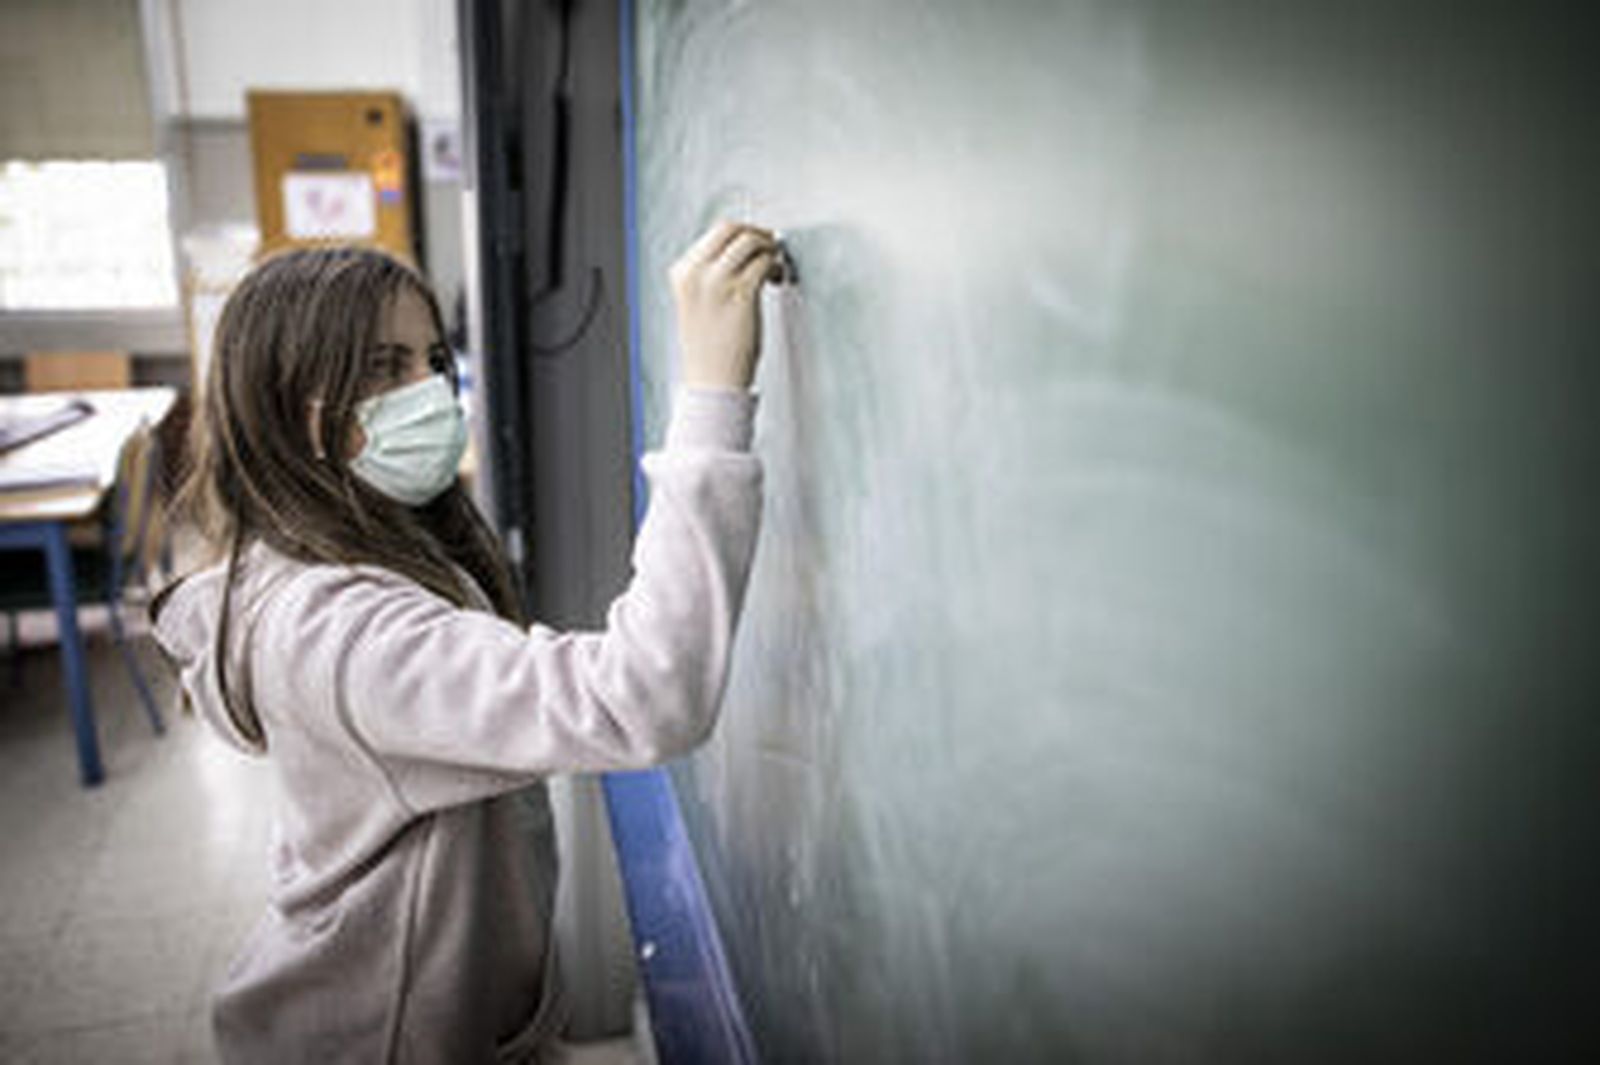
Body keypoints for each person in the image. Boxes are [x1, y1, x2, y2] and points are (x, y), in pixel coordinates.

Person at [151, 221, 780, 1064]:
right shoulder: (337, 630)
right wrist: (711, 396)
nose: (431, 390)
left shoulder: (350, 556)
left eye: (433, 360)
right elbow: (640, 695)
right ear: (300, 412)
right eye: (385, 367)